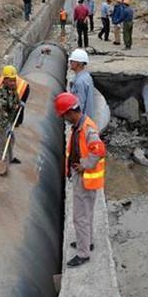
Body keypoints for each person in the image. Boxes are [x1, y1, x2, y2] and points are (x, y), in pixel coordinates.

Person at [54, 92, 106, 268]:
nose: (64, 119)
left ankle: (83, 253)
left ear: (70, 112)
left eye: (63, 115)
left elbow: (98, 150)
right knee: (86, 214)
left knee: (80, 217)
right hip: (85, 180)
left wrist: (84, 165)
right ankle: (87, 241)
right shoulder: (80, 125)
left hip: (85, 180)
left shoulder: (87, 129)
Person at [0, 66, 22, 167]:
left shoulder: (12, 90)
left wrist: (19, 103)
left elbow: (15, 98)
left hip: (8, 120)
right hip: (0, 121)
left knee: (11, 139)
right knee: (1, 143)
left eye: (14, 80)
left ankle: (10, 159)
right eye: (10, 80)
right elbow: (1, 113)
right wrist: (7, 127)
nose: (13, 83)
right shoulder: (1, 95)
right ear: (4, 80)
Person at [69, 48, 94, 119]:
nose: (70, 63)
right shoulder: (86, 76)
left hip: (82, 122)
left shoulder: (80, 82)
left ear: (78, 63)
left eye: (72, 61)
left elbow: (80, 105)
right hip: (87, 119)